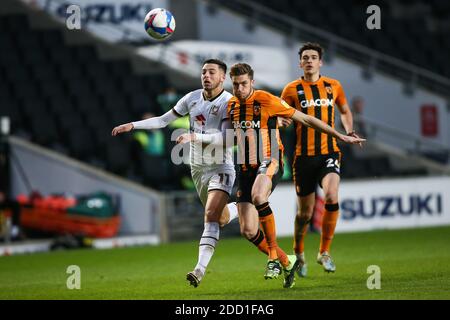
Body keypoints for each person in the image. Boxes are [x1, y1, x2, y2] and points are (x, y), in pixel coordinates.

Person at [227, 63, 364, 288]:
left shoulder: (267, 99)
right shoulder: (230, 106)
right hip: (244, 167)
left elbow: (307, 119)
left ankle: (273, 258)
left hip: (269, 160)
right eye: (235, 85)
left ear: (252, 81)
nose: (239, 89)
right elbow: (231, 136)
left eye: (244, 84)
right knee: (248, 230)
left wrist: (339, 134)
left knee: (259, 197)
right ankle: (286, 261)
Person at [112, 59, 239, 288]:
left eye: (211, 72)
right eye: (203, 72)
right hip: (198, 169)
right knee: (220, 218)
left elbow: (227, 139)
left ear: (223, 77)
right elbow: (163, 121)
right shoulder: (191, 98)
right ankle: (242, 207)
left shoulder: (229, 103)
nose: (206, 76)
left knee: (210, 214)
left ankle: (199, 269)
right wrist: (132, 125)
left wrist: (194, 137)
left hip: (221, 166)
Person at [280, 42, 364, 278]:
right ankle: (299, 252)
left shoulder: (333, 86)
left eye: (313, 57)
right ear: (300, 63)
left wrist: (349, 130)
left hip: (329, 152)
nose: (309, 60)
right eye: (305, 57)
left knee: (331, 195)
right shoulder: (290, 89)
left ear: (320, 62)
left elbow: (345, 110)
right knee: (304, 214)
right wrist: (282, 121)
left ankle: (324, 252)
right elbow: (280, 114)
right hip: (302, 158)